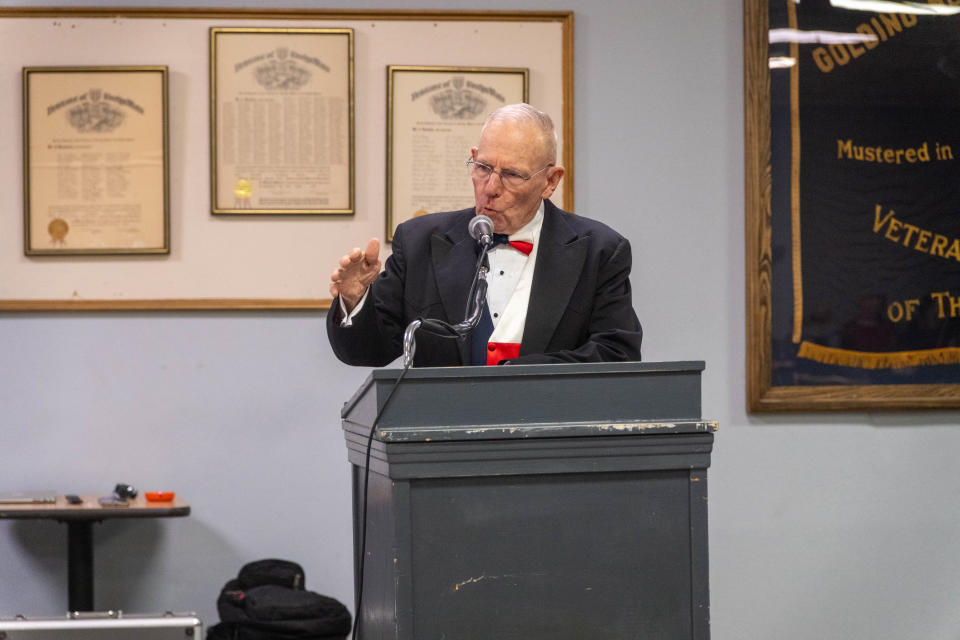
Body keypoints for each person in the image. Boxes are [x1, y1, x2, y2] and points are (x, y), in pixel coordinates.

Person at [327, 103, 642, 367]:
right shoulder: (419, 242)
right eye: (482, 167)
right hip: (442, 435)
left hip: (550, 432)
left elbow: (617, 354)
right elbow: (368, 351)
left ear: (550, 181)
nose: (491, 188)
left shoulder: (599, 251)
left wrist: (519, 378)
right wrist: (354, 300)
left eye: (512, 174)